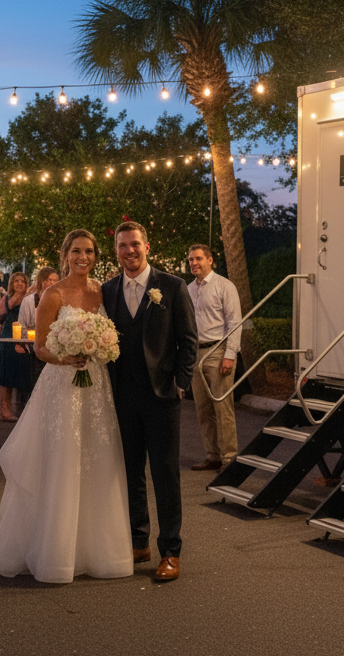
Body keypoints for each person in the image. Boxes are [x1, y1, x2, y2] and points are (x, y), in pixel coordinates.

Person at [0, 230, 133, 584]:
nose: (82, 257)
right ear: (65, 254)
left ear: (96, 256)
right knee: (62, 461)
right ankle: (55, 551)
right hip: (62, 384)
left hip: (96, 386)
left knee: (97, 460)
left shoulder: (102, 292)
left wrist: (98, 347)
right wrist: (67, 357)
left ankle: (96, 548)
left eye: (88, 251)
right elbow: (39, 347)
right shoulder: (52, 294)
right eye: (76, 251)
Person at [102, 221, 197, 582]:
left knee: (164, 475)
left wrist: (181, 383)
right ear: (117, 251)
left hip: (162, 396)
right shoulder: (108, 290)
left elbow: (189, 339)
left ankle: (170, 551)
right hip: (121, 395)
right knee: (130, 472)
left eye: (135, 245)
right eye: (123, 245)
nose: (129, 251)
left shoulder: (172, 286)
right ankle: (138, 541)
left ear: (147, 246)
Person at [186, 245, 243, 471]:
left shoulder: (224, 286)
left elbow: (235, 322)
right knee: (203, 410)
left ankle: (230, 457)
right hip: (196, 354)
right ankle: (212, 455)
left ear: (210, 260)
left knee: (223, 409)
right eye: (191, 259)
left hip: (218, 353)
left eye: (198, 258)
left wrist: (229, 355)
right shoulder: (189, 289)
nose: (194, 263)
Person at [16, 267, 59, 409]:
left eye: (54, 280)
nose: (51, 283)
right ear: (41, 281)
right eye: (48, 280)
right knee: (32, 382)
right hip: (32, 348)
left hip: (53, 348)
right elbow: (22, 324)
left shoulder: (59, 300)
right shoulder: (29, 301)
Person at [0, 272, 30, 422]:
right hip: (9, 332)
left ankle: (19, 407)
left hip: (24, 333)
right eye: (16, 281)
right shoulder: (7, 298)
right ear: (12, 284)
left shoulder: (30, 298)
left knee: (21, 370)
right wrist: (16, 297)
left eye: (22, 281)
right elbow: (0, 316)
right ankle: (3, 409)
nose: (19, 283)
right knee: (7, 372)